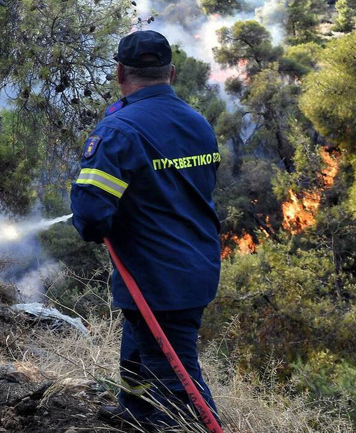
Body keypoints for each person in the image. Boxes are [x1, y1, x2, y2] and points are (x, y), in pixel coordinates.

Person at [70, 30, 221, 431]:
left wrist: (99, 224)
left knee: (177, 385)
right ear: (171, 73)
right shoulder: (198, 123)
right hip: (197, 266)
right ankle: (134, 413)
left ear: (120, 72)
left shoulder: (120, 131)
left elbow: (89, 213)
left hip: (156, 278)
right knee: (138, 348)